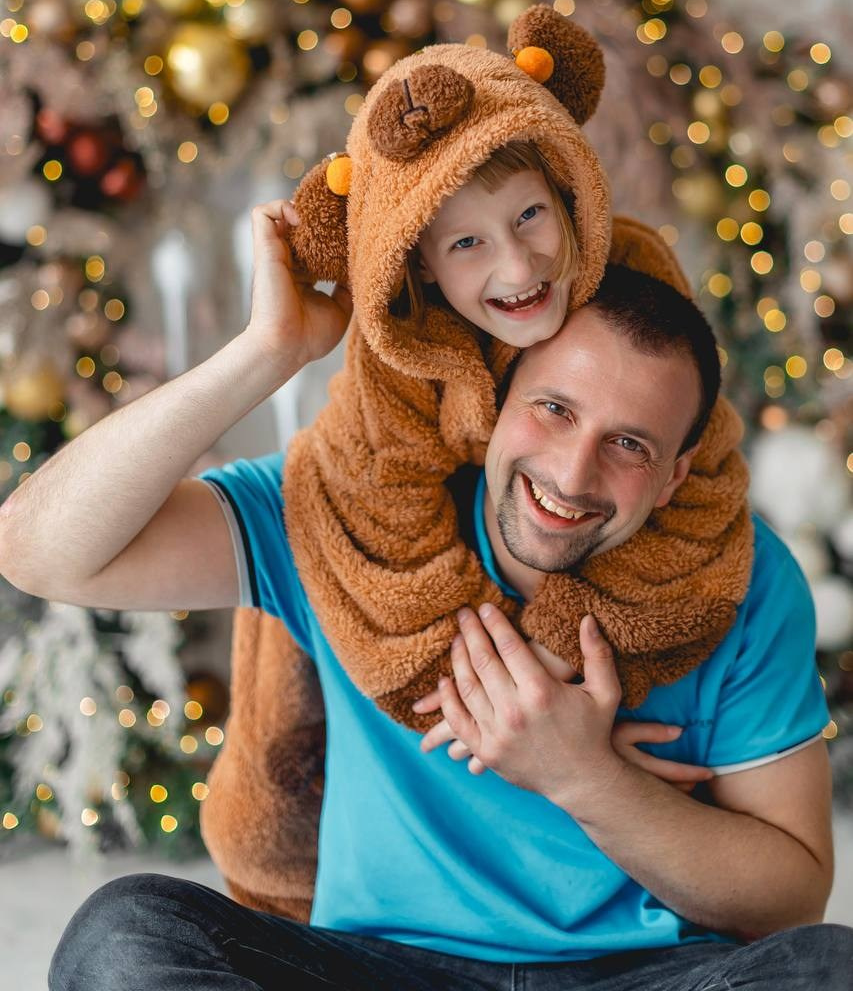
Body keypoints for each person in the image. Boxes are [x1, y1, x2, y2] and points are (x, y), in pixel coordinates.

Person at [2, 209, 850, 986]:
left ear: (671, 478)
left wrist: (580, 776)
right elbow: (40, 553)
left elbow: (788, 901)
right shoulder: (352, 518)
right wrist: (268, 352)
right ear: (494, 404)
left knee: (828, 966)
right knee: (124, 935)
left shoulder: (736, 575)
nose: (571, 472)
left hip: (640, 976)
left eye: (627, 444)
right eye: (553, 409)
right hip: (377, 969)